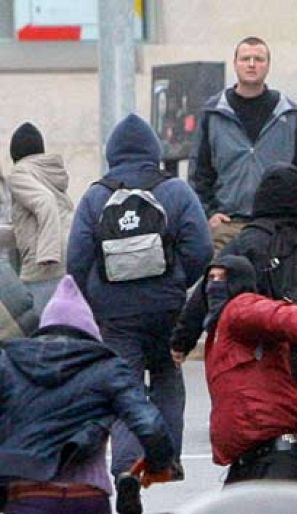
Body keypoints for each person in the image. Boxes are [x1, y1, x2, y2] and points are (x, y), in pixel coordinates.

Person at [171, 162, 297, 482]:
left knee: (281, 418)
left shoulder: (248, 242)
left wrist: (181, 341)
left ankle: (284, 443)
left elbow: (209, 288)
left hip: (276, 354)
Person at [67, 114, 213, 499]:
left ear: (111, 154)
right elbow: (202, 248)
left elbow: (77, 259)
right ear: (153, 151)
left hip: (115, 313)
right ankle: (165, 460)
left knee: (123, 386)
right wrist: (178, 281)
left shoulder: (96, 195)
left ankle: (127, 469)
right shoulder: (176, 192)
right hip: (166, 307)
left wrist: (97, 299)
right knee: (166, 376)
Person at [0, 275, 175, 514]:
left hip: (28, 493)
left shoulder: (9, 363)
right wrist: (158, 463)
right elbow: (150, 425)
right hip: (87, 497)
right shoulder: (107, 367)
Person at [171, 255, 297, 484]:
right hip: (248, 458)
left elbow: (275, 313)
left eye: (223, 278)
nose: (215, 285)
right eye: (211, 278)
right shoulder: (219, 333)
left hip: (275, 454)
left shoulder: (239, 307)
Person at [190, 35, 297, 252]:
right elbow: (199, 173)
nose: (252, 64)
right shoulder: (213, 114)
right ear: (235, 64)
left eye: (259, 59)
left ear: (268, 65)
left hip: (277, 228)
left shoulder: (288, 114)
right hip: (227, 228)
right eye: (245, 58)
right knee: (221, 284)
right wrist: (209, 214)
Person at [5, 122, 73, 315]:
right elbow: (26, 228)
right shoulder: (47, 174)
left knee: (38, 332)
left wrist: (47, 254)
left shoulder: (19, 173)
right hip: (66, 261)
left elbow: (45, 202)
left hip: (43, 267)